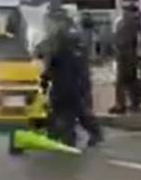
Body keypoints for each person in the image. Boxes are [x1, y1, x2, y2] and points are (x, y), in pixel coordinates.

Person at [42, 13, 102, 147]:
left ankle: (65, 136)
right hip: (76, 79)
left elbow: (50, 61)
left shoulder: (57, 39)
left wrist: (44, 79)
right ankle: (88, 133)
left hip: (64, 79)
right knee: (74, 108)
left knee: (64, 108)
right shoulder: (76, 36)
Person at [110, 0, 141, 114]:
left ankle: (123, 105)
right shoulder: (123, 22)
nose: (125, 12)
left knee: (125, 80)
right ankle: (131, 103)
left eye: (127, 10)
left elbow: (138, 39)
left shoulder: (133, 23)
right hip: (123, 53)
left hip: (128, 54)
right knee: (129, 80)